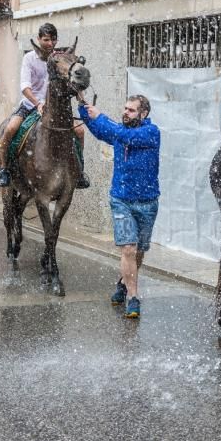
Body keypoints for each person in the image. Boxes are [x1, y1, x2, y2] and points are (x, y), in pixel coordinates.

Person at [79, 94, 161, 319]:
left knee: (139, 252)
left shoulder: (151, 133)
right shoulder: (119, 131)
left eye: (131, 110)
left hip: (147, 202)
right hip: (121, 200)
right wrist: (84, 109)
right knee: (128, 249)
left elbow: (121, 134)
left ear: (143, 114)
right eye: (125, 108)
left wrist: (101, 116)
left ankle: (123, 283)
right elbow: (100, 130)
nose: (126, 112)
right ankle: (133, 298)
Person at [0, 23, 89, 189]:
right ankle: (4, 169)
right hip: (31, 104)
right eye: (46, 39)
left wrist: (82, 98)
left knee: (80, 131)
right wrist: (38, 103)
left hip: (57, 107)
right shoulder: (29, 58)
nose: (50, 43)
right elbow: (25, 86)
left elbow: (72, 83)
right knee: (10, 129)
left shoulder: (60, 59)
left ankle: (79, 171)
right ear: (39, 39)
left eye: (53, 39)